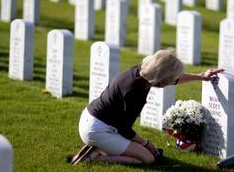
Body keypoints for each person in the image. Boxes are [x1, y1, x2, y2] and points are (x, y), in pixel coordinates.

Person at [71, 49, 224, 165]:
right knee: (147, 158)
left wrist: (202, 76)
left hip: (95, 119)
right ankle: (96, 157)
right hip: (97, 129)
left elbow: (174, 79)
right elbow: (125, 129)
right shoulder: (134, 91)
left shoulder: (143, 70)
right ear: (162, 77)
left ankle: (100, 148)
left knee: (145, 153)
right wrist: (146, 143)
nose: (172, 81)